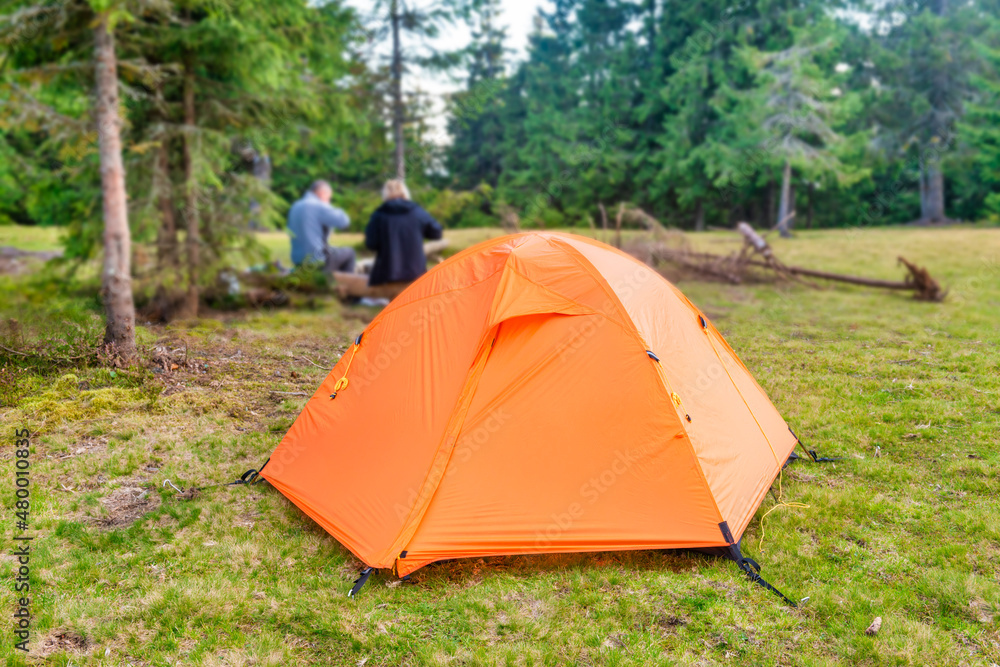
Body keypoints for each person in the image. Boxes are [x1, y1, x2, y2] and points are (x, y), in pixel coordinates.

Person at [365, 179, 443, 286]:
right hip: (416, 273)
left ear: (385, 194)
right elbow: (436, 233)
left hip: (386, 275)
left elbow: (370, 244)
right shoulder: (417, 212)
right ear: (405, 192)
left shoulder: (378, 215)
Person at [287, 180, 356, 273]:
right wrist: (330, 206)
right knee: (350, 252)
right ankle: (344, 284)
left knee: (332, 250)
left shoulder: (295, 206)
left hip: (298, 262)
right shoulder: (317, 205)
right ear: (323, 193)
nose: (328, 201)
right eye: (329, 198)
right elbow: (344, 221)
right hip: (316, 262)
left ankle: (331, 280)